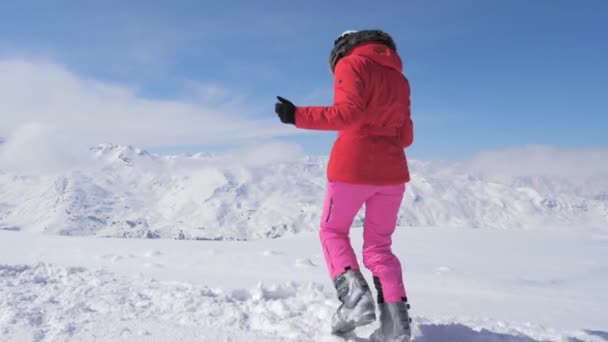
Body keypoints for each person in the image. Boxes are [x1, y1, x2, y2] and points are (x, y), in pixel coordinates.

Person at [274, 29, 414, 341]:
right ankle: (396, 325)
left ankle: (355, 301)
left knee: (332, 231)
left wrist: (295, 115)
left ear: (342, 46)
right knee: (379, 247)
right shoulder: (400, 80)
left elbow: (348, 115)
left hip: (352, 167)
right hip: (392, 172)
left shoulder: (351, 64)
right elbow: (406, 137)